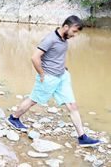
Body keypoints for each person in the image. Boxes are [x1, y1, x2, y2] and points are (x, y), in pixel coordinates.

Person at [6, 15, 100, 147]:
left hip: (62, 76)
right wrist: (42, 75)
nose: (75, 35)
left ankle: (82, 137)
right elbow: (35, 58)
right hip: (49, 77)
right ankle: (13, 118)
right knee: (33, 100)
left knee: (72, 105)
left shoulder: (63, 38)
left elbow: (56, 55)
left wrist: (62, 67)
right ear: (66, 27)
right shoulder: (50, 39)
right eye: (74, 31)